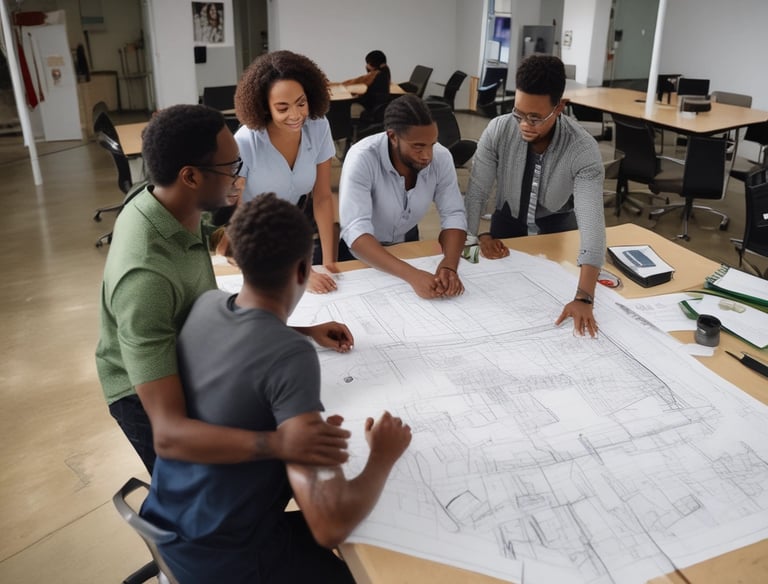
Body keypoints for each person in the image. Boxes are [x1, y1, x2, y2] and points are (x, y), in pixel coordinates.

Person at [141, 193, 412, 583]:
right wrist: (382, 456)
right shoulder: (290, 356)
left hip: (171, 526)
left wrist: (301, 333)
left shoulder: (206, 304)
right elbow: (329, 525)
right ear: (303, 269)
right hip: (226, 557)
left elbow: (248, 341)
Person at [95, 104, 353, 475]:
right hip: (143, 390)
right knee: (205, 490)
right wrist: (279, 443)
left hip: (185, 349)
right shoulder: (145, 278)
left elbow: (203, 233)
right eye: (231, 168)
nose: (240, 178)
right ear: (190, 177)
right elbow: (170, 435)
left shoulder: (162, 198)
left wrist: (300, 331)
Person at [464, 55, 606, 337]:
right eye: (519, 113)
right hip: (506, 227)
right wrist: (474, 239)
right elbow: (477, 192)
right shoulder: (500, 129)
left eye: (536, 117)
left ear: (560, 107)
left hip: (556, 232)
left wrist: (583, 297)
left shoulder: (582, 150)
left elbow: (592, 224)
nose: (525, 124)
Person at [234, 50, 349, 295]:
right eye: (283, 108)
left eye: (301, 103)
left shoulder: (318, 127)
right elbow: (237, 219)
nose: (296, 115)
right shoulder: (246, 142)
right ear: (265, 107)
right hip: (253, 239)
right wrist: (298, 274)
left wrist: (329, 262)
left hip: (294, 231)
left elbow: (322, 197)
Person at [339, 94, 467, 299]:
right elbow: (356, 230)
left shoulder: (441, 157)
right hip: (362, 254)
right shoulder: (362, 157)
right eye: (418, 146)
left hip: (407, 246)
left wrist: (450, 265)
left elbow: (454, 214)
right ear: (392, 137)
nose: (428, 156)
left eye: (432, 144)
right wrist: (412, 275)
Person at [341, 49, 392, 119]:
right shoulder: (385, 71)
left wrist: (340, 85)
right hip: (377, 107)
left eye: (368, 63)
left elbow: (356, 82)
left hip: (371, 107)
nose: (366, 65)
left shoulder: (374, 74)